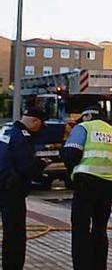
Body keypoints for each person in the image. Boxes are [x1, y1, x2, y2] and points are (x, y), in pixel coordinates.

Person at [62, 106, 112, 270]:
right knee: (100, 231)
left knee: (80, 231)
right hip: (107, 189)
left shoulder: (83, 128)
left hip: (85, 186)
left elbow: (70, 154)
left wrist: (73, 179)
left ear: (87, 116)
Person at [0, 104, 49, 270]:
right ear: (35, 121)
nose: (39, 130)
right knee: (14, 233)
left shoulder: (6, 129)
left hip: (3, 182)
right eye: (40, 126)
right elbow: (26, 166)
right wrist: (41, 165)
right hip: (12, 189)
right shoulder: (23, 136)